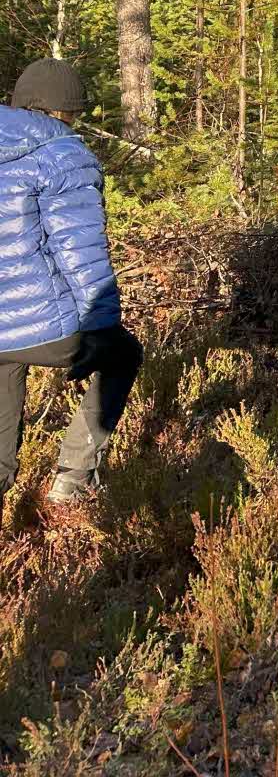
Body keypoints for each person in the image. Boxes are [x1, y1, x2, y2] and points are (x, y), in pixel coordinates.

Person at [0, 59, 143, 505]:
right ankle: (73, 477)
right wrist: (100, 324)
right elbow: (80, 253)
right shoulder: (66, 157)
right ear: (65, 112)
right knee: (123, 354)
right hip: (42, 329)